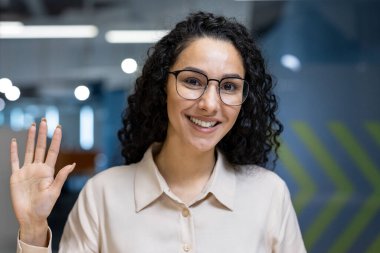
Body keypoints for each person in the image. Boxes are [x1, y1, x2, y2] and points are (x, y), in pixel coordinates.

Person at [10, 12, 306, 253]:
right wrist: (35, 229)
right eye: (192, 81)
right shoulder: (102, 196)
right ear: (162, 87)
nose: (210, 103)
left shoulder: (268, 195)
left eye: (229, 86)